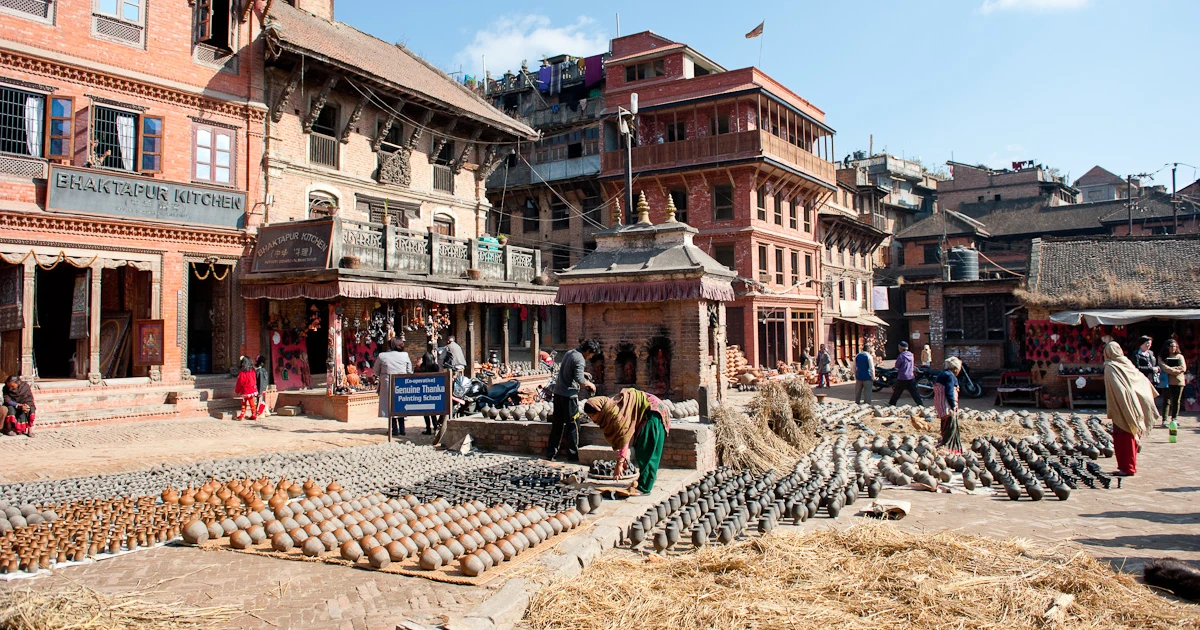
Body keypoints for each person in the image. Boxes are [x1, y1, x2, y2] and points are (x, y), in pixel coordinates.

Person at [583, 388, 670, 495]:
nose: (592, 419)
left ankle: (645, 487)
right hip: (647, 411)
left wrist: (619, 463)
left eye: (592, 416)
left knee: (646, 451)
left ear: (600, 410)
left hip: (652, 412)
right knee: (641, 448)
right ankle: (644, 480)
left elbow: (625, 437)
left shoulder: (614, 414)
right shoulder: (610, 410)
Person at [1104, 341, 1158, 476]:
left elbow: (1119, 390)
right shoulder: (1126, 362)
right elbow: (1142, 379)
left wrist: (1125, 407)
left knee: (1124, 437)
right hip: (1134, 404)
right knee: (1130, 435)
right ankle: (1127, 466)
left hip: (1124, 406)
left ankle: (1127, 467)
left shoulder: (1111, 367)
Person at [546, 339, 598, 462]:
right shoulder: (580, 358)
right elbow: (579, 379)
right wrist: (590, 384)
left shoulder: (570, 353)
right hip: (569, 397)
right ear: (588, 351)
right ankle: (573, 455)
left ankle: (551, 453)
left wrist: (583, 373)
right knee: (573, 426)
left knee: (557, 425)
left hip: (558, 394)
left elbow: (569, 370)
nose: (590, 357)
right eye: (591, 355)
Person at [374, 337, 413, 437]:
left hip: (387, 383)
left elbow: (375, 371)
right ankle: (402, 429)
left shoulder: (382, 356)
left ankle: (394, 429)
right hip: (402, 383)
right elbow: (409, 371)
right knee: (400, 404)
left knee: (390, 405)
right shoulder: (405, 355)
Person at [933, 357, 963, 453]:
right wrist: (953, 405)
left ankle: (945, 444)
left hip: (940, 404)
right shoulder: (950, 376)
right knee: (950, 425)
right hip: (946, 405)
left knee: (945, 423)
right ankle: (948, 446)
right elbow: (949, 391)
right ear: (955, 369)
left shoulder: (943, 374)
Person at [1159, 339, 1188, 427]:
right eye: (1171, 346)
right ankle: (1164, 420)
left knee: (1176, 401)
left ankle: (1174, 418)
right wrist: (1175, 370)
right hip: (1167, 381)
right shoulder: (1162, 357)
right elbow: (1163, 367)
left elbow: (1183, 368)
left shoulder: (1180, 356)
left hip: (1179, 381)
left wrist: (1171, 370)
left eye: (1174, 346)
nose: (1173, 348)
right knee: (1166, 401)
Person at [889, 341, 924, 406]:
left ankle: (892, 404)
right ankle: (920, 404)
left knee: (897, 391)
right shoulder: (911, 355)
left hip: (902, 376)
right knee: (914, 392)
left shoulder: (901, 356)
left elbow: (897, 365)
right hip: (911, 376)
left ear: (901, 348)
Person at [417, 342, 441, 435]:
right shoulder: (435, 367)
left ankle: (428, 428)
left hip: (424, 392)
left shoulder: (421, 368)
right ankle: (435, 427)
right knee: (433, 412)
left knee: (426, 412)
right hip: (433, 391)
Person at [234, 356, 258, 421]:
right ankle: (253, 414)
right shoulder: (252, 371)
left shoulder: (242, 373)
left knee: (244, 403)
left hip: (245, 390)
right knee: (251, 402)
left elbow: (240, 382)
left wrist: (237, 390)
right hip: (252, 389)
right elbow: (254, 380)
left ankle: (242, 414)